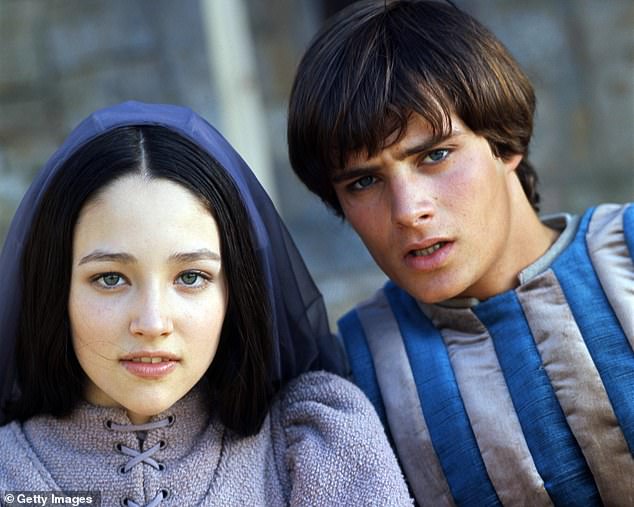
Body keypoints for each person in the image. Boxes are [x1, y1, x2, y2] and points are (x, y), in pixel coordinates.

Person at [287, 1, 634, 505]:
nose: (408, 210)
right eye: (364, 181)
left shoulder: (624, 255)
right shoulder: (355, 373)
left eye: (435, 155)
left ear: (504, 142)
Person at [0, 101, 412, 506]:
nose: (153, 322)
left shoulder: (311, 440)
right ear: (56, 289)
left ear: (234, 290)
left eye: (191, 277)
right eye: (110, 278)